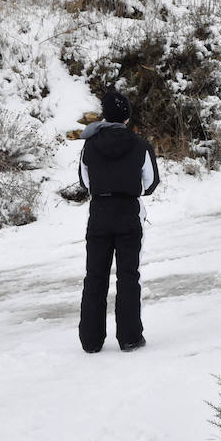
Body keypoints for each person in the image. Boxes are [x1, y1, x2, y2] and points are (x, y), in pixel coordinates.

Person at [78, 90, 159, 354]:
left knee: (95, 276)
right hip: (128, 211)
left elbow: (84, 182)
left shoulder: (89, 144)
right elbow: (150, 183)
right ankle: (129, 337)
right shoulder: (140, 145)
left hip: (99, 212)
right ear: (127, 117)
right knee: (128, 275)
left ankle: (91, 340)